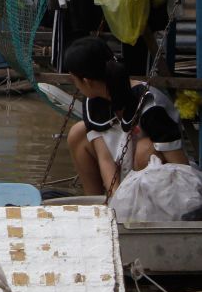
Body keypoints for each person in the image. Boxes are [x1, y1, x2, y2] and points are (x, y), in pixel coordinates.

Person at [64, 36, 189, 196]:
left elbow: (181, 165)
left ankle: (143, 208)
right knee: (77, 133)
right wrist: (115, 198)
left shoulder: (151, 105)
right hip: (123, 174)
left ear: (87, 81)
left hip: (160, 188)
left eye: (74, 80)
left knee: (146, 149)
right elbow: (105, 158)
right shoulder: (92, 102)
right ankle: (96, 202)